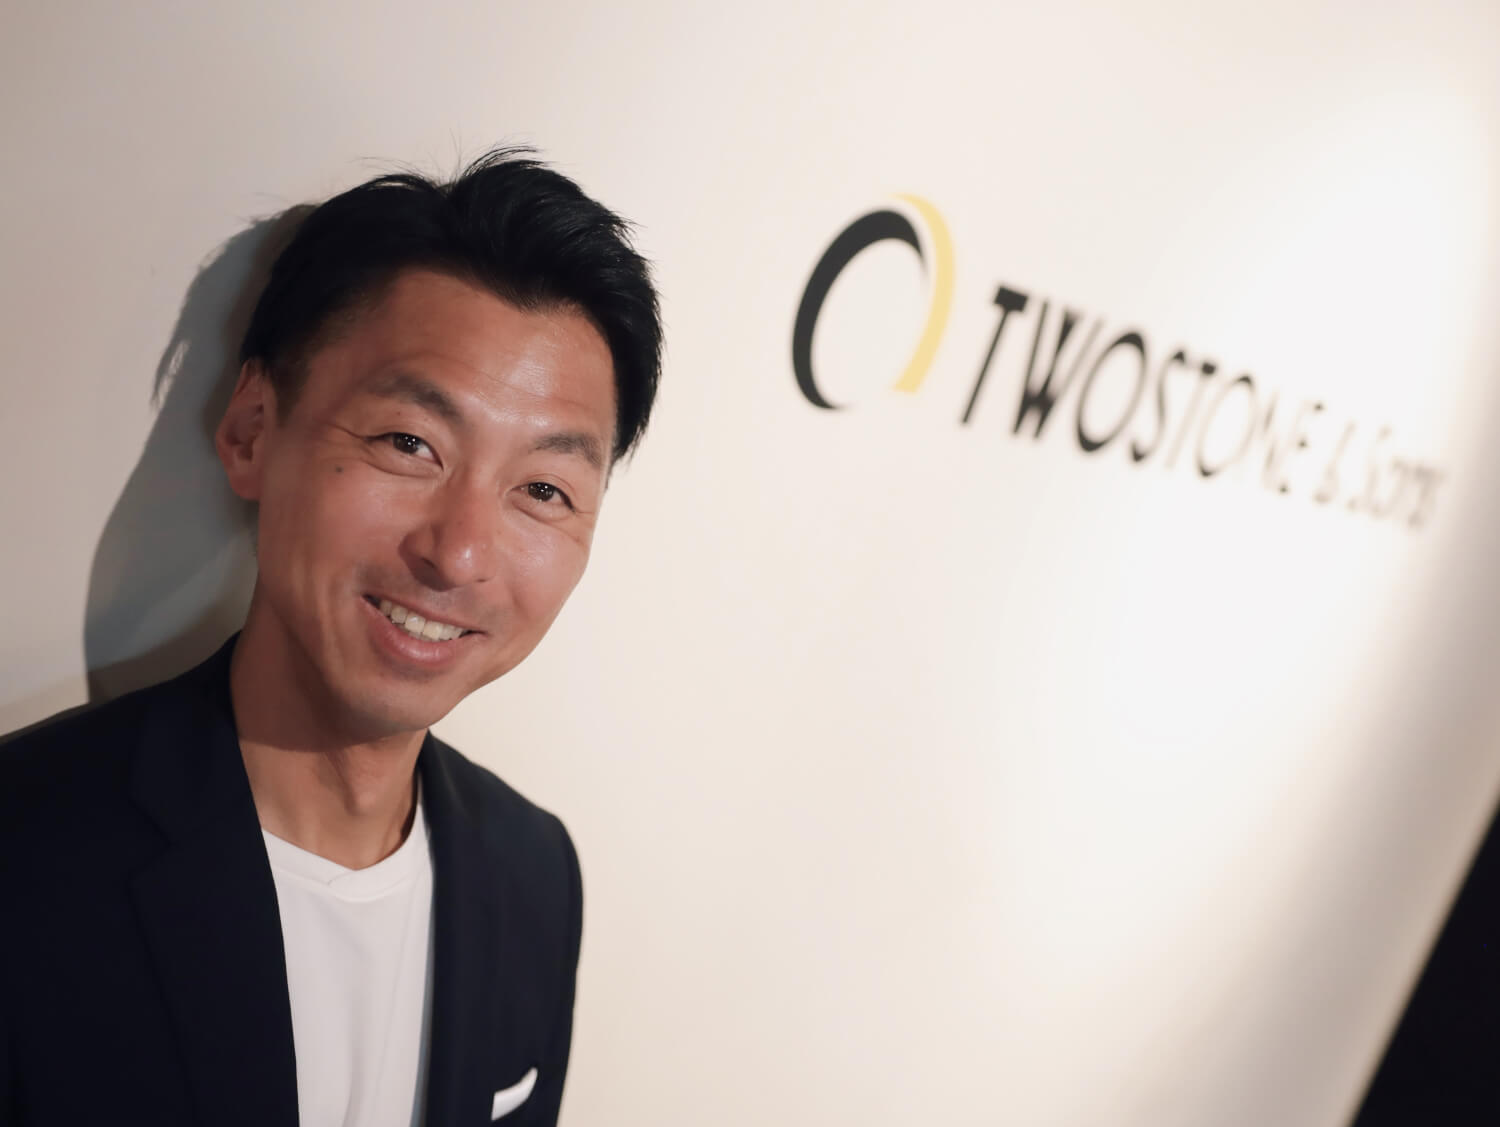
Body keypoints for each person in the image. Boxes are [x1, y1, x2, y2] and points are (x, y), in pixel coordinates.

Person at [0, 148, 662, 1127]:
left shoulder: (535, 873)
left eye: (543, 489)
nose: (460, 553)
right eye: (409, 443)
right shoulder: (26, 856)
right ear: (252, 430)